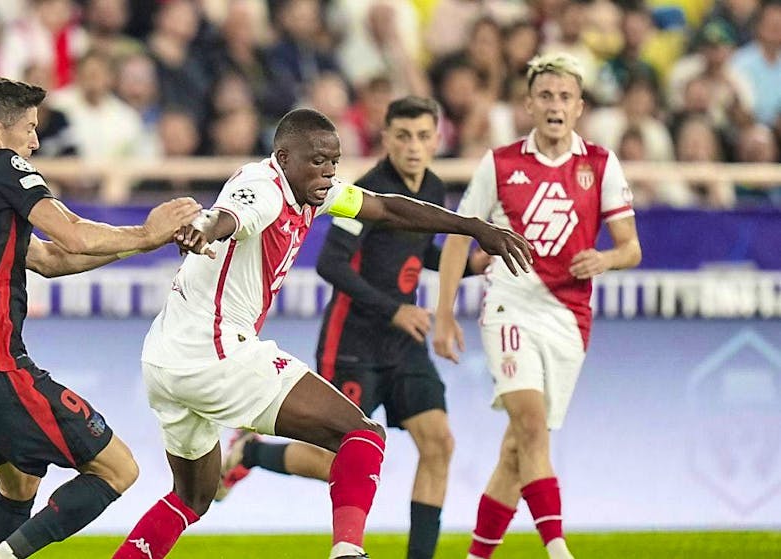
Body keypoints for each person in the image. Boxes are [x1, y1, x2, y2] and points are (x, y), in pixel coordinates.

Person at [110, 108, 533, 559]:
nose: (328, 172)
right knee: (363, 436)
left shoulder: (316, 192)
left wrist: (473, 228)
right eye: (317, 162)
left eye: (334, 161)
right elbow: (227, 216)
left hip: (164, 359)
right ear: (284, 157)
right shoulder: (265, 189)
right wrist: (201, 227)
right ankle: (347, 551)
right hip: (214, 352)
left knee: (191, 498)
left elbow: (386, 207)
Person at [0, 77, 203, 559]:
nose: (34, 142)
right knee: (119, 470)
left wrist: (142, 243)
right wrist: (147, 230)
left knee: (20, 483)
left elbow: (51, 260)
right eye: (29, 129)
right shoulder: (3, 167)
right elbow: (72, 234)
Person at [213, 96, 491, 559]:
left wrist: (469, 265)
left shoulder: (435, 188)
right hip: (354, 342)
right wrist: (394, 309)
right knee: (336, 460)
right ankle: (252, 454)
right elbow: (331, 263)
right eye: (403, 135)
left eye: (424, 136)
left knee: (438, 444)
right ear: (386, 139)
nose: (414, 146)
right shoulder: (367, 190)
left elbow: (418, 255)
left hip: (404, 344)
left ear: (437, 139)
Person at [432, 53, 642, 559]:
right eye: (545, 96)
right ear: (528, 105)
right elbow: (461, 238)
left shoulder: (600, 164)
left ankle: (476, 556)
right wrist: (443, 314)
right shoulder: (500, 163)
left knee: (517, 448)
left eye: (565, 97)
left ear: (579, 107)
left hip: (569, 318)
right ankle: (558, 548)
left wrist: (606, 259)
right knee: (528, 422)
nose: (555, 105)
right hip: (509, 305)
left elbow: (631, 248)